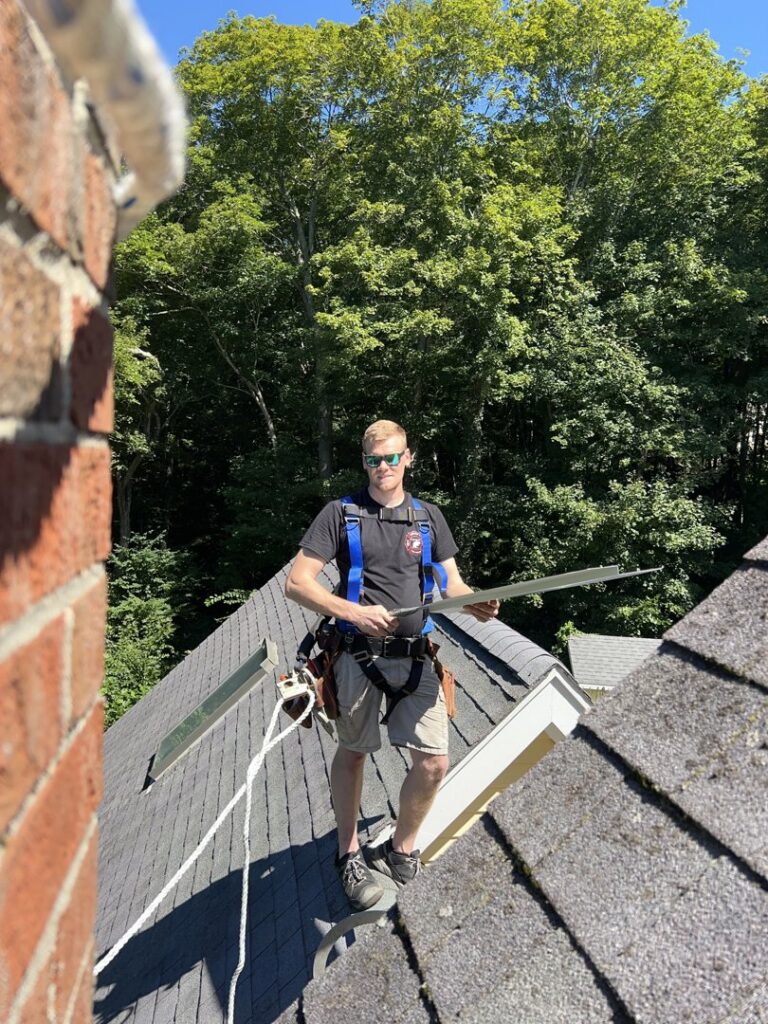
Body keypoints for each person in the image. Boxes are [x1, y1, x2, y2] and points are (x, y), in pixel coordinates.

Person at [284, 419, 498, 910]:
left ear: (408, 458)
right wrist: (353, 611)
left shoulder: (428, 518)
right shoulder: (341, 515)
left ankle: (401, 851)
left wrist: (474, 603)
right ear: (365, 463)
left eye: (393, 457)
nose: (384, 467)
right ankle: (348, 854)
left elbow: (452, 583)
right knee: (354, 752)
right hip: (357, 655)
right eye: (375, 460)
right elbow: (297, 583)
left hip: (416, 656)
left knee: (434, 762)